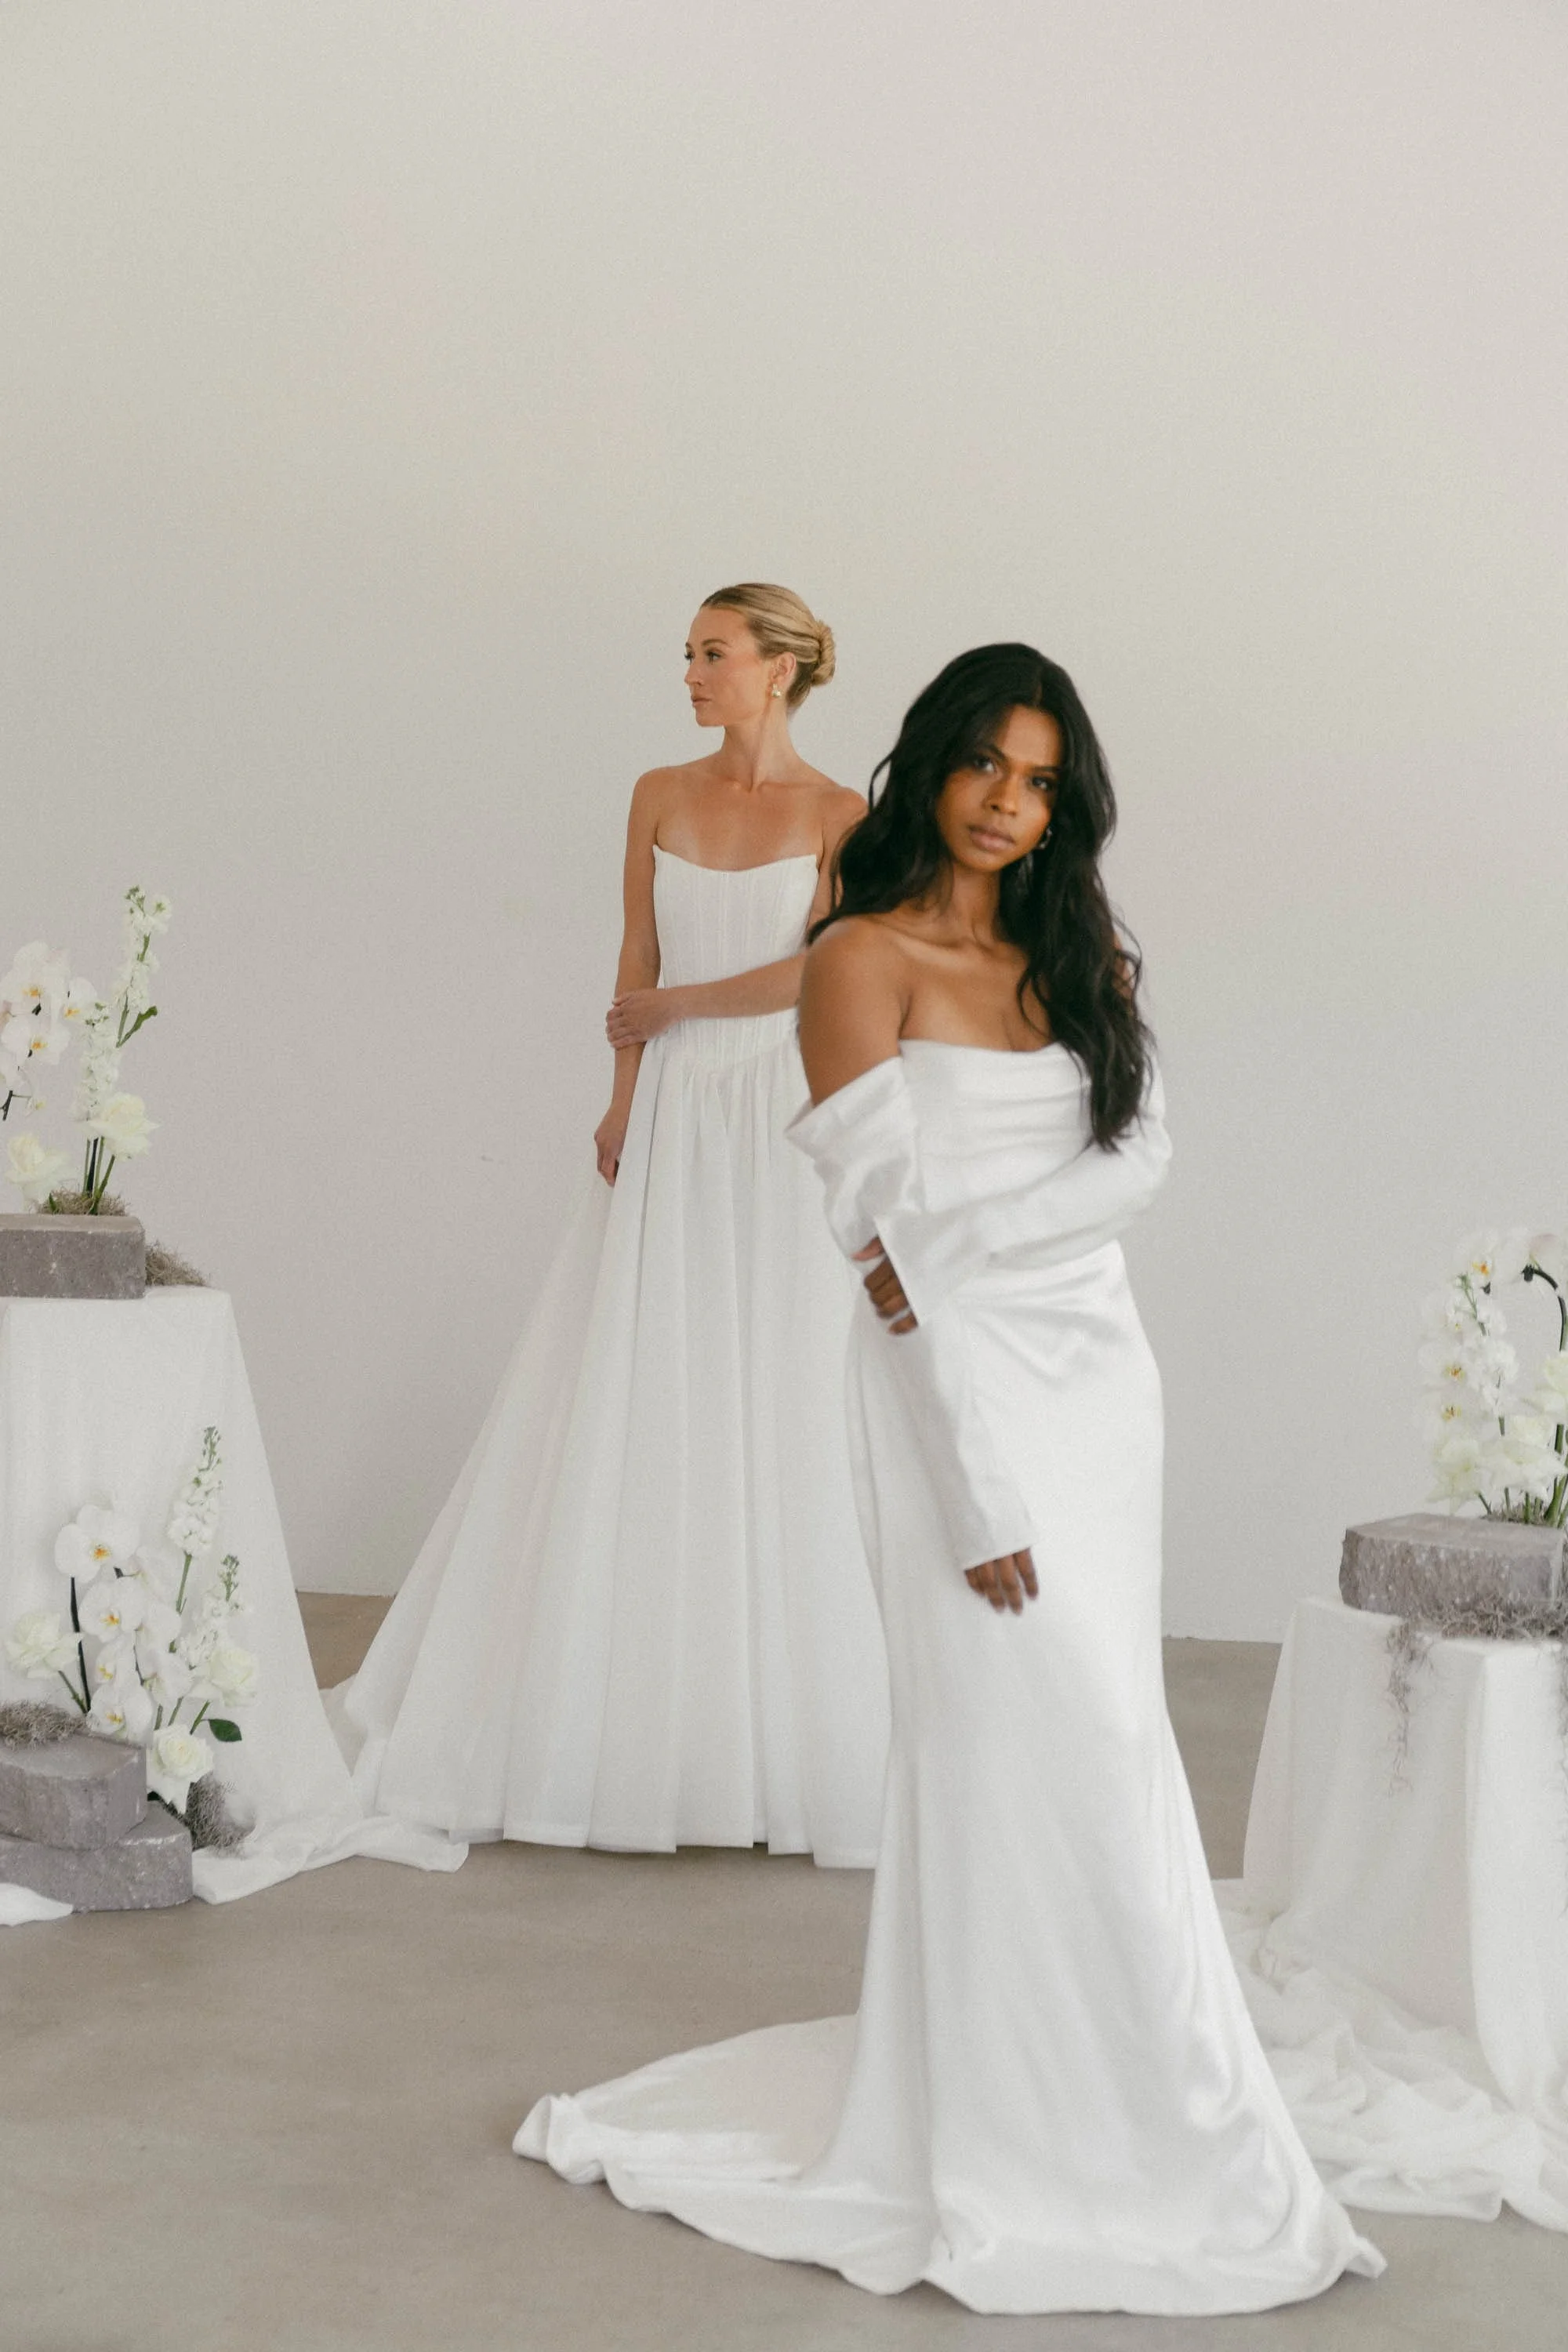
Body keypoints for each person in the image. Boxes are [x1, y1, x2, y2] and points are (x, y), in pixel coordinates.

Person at [516, 644, 1384, 2316]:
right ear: (927, 767)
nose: (1008, 802)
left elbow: (1143, 1158)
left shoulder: (1073, 951)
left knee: (1114, 1740)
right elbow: (881, 1263)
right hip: (951, 1408)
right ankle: (1014, 2109)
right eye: (986, 764)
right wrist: (974, 1490)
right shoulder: (858, 957)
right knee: (1006, 1745)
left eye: (1042, 778)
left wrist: (973, 1237)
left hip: (1100, 1396)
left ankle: (1142, 2084)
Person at [332, 584, 889, 1866]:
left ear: (781, 669)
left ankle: (772, 1730)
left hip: (772, 1109)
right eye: (688, 654)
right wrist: (622, 1099)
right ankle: (625, 1709)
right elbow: (628, 961)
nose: (690, 672)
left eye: (712, 653)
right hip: (677, 1107)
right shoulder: (655, 791)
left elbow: (823, 966)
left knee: (773, 1383)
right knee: (647, 1376)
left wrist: (678, 1010)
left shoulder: (843, 816)